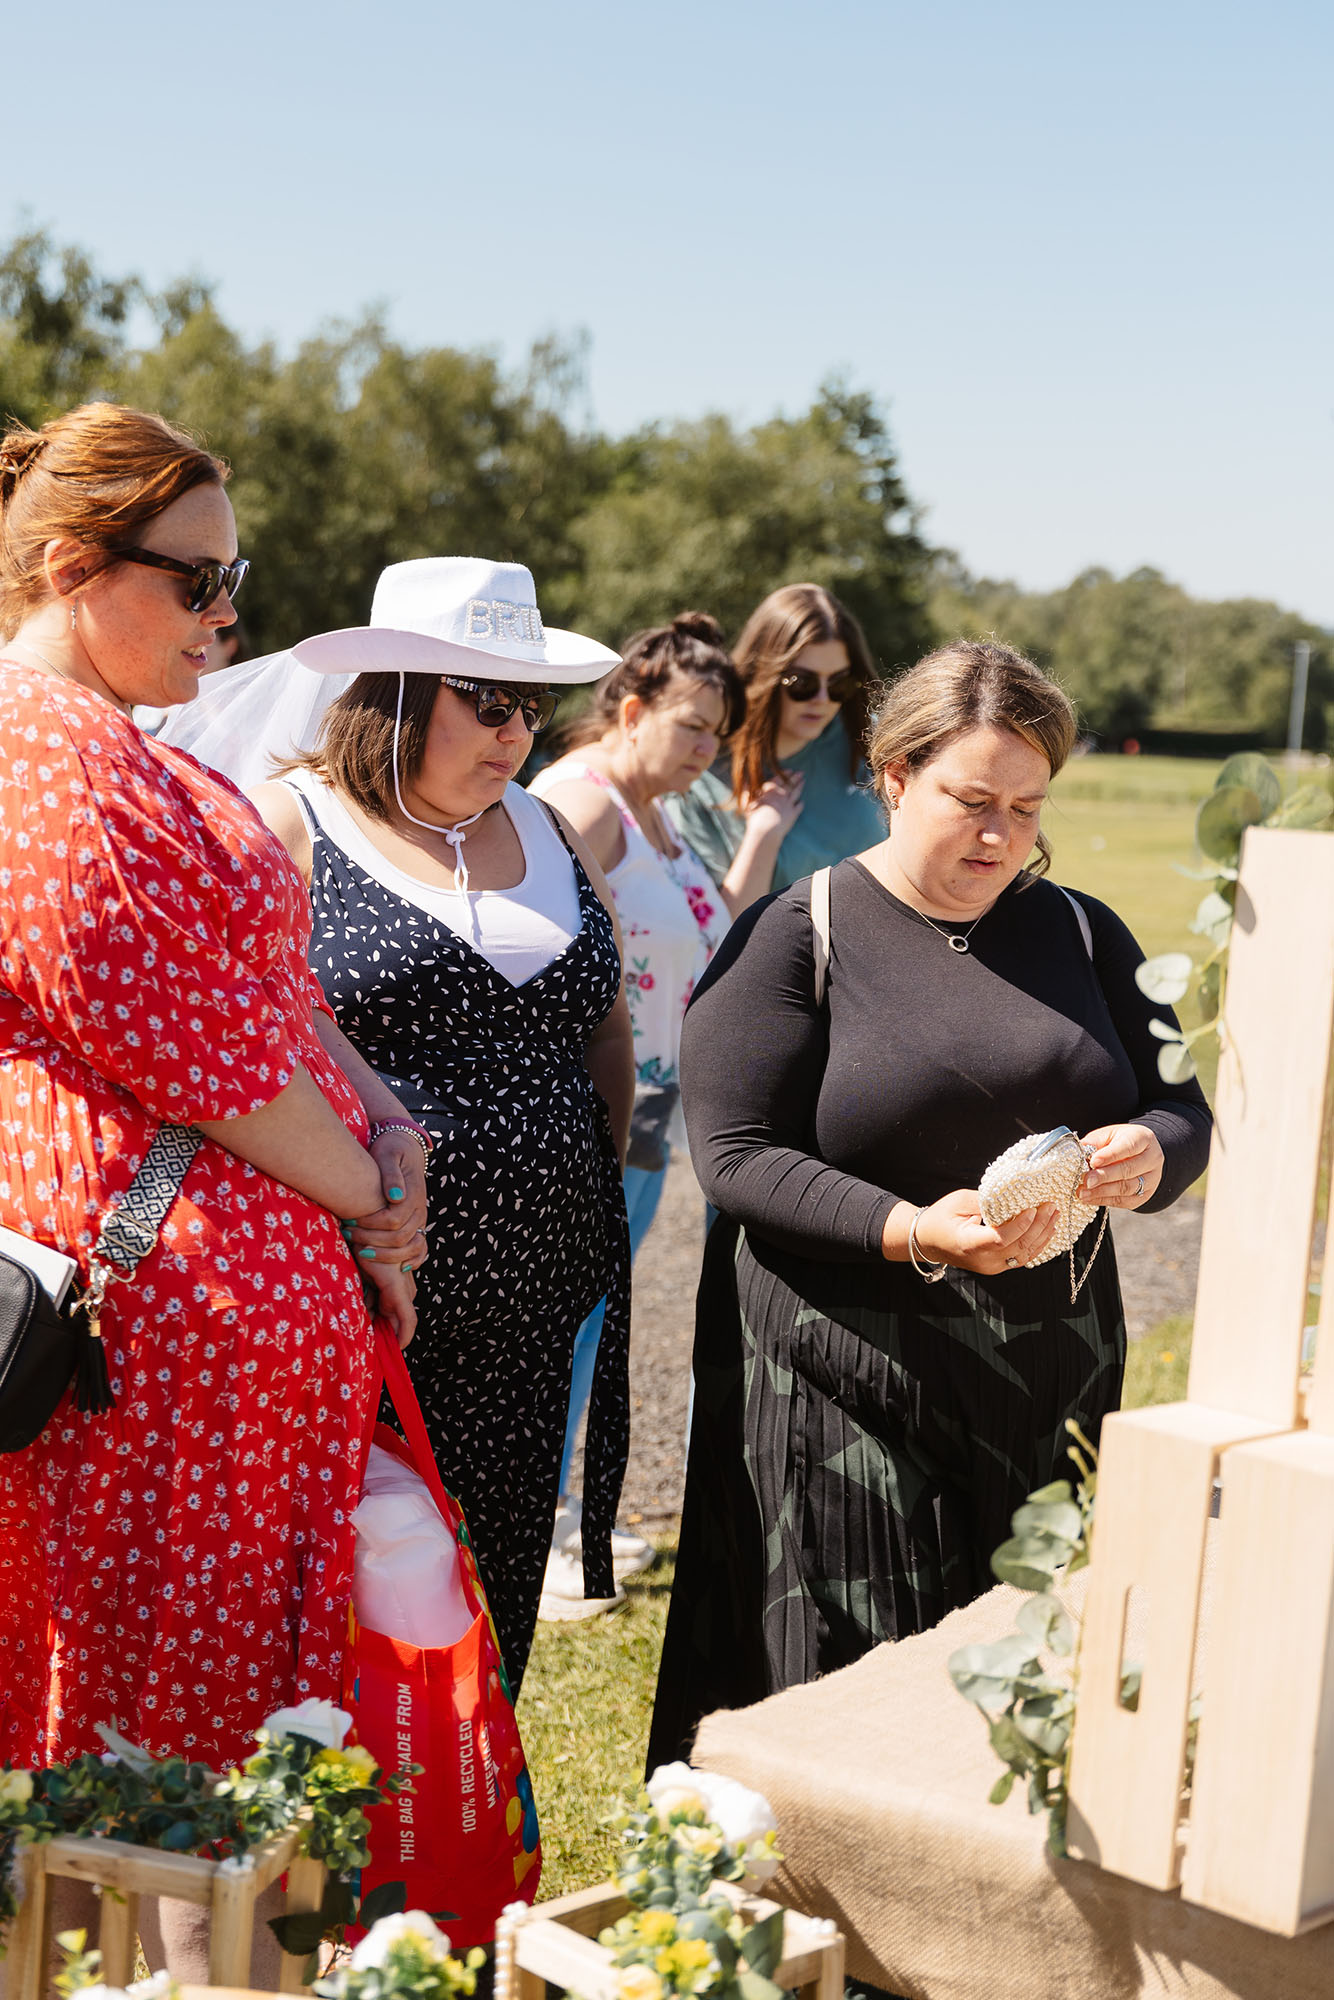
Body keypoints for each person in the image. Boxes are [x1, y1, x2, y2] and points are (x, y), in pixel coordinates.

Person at [647, 638, 1213, 1766]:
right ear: (895, 774)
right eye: (970, 800)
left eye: (1024, 804)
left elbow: (1181, 1105)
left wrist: (1148, 1152)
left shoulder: (1083, 931)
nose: (1000, 835)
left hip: (1048, 1371)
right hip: (843, 1374)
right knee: (854, 1698)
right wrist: (913, 1229)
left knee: (1020, 1671)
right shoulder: (791, 934)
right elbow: (738, 1155)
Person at [0, 404, 425, 1776]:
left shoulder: (119, 743)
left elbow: (274, 999)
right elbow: (190, 1051)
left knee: (207, 1744)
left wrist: (388, 1127)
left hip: (217, 1342)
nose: (226, 612)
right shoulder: (46, 749)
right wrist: (368, 1198)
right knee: (139, 1754)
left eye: (232, 579)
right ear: (72, 568)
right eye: (198, 579)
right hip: (149, 1348)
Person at [180, 559, 637, 1692]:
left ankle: (468, 1840)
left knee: (495, 1587)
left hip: (535, 1301)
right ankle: (348, 1851)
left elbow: (604, 1023)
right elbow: (239, 1042)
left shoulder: (545, 824)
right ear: (393, 695)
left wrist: (583, 1170)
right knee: (361, 1600)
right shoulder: (287, 821)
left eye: (528, 706)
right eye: (486, 701)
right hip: (365, 1296)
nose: (515, 732)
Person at [527, 613, 743, 1615]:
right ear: (631, 707)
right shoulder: (583, 801)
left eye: (717, 733)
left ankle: (564, 1511)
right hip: (586, 1108)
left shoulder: (657, 812)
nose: (706, 749)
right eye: (692, 725)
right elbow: (525, 949)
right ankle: (531, 1529)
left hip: (646, 1110)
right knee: (557, 1324)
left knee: (592, 1322)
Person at [666, 582, 885, 912]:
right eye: (803, 683)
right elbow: (716, 933)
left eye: (839, 683)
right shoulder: (700, 768)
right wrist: (763, 837)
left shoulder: (872, 739)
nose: (823, 700)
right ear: (764, 673)